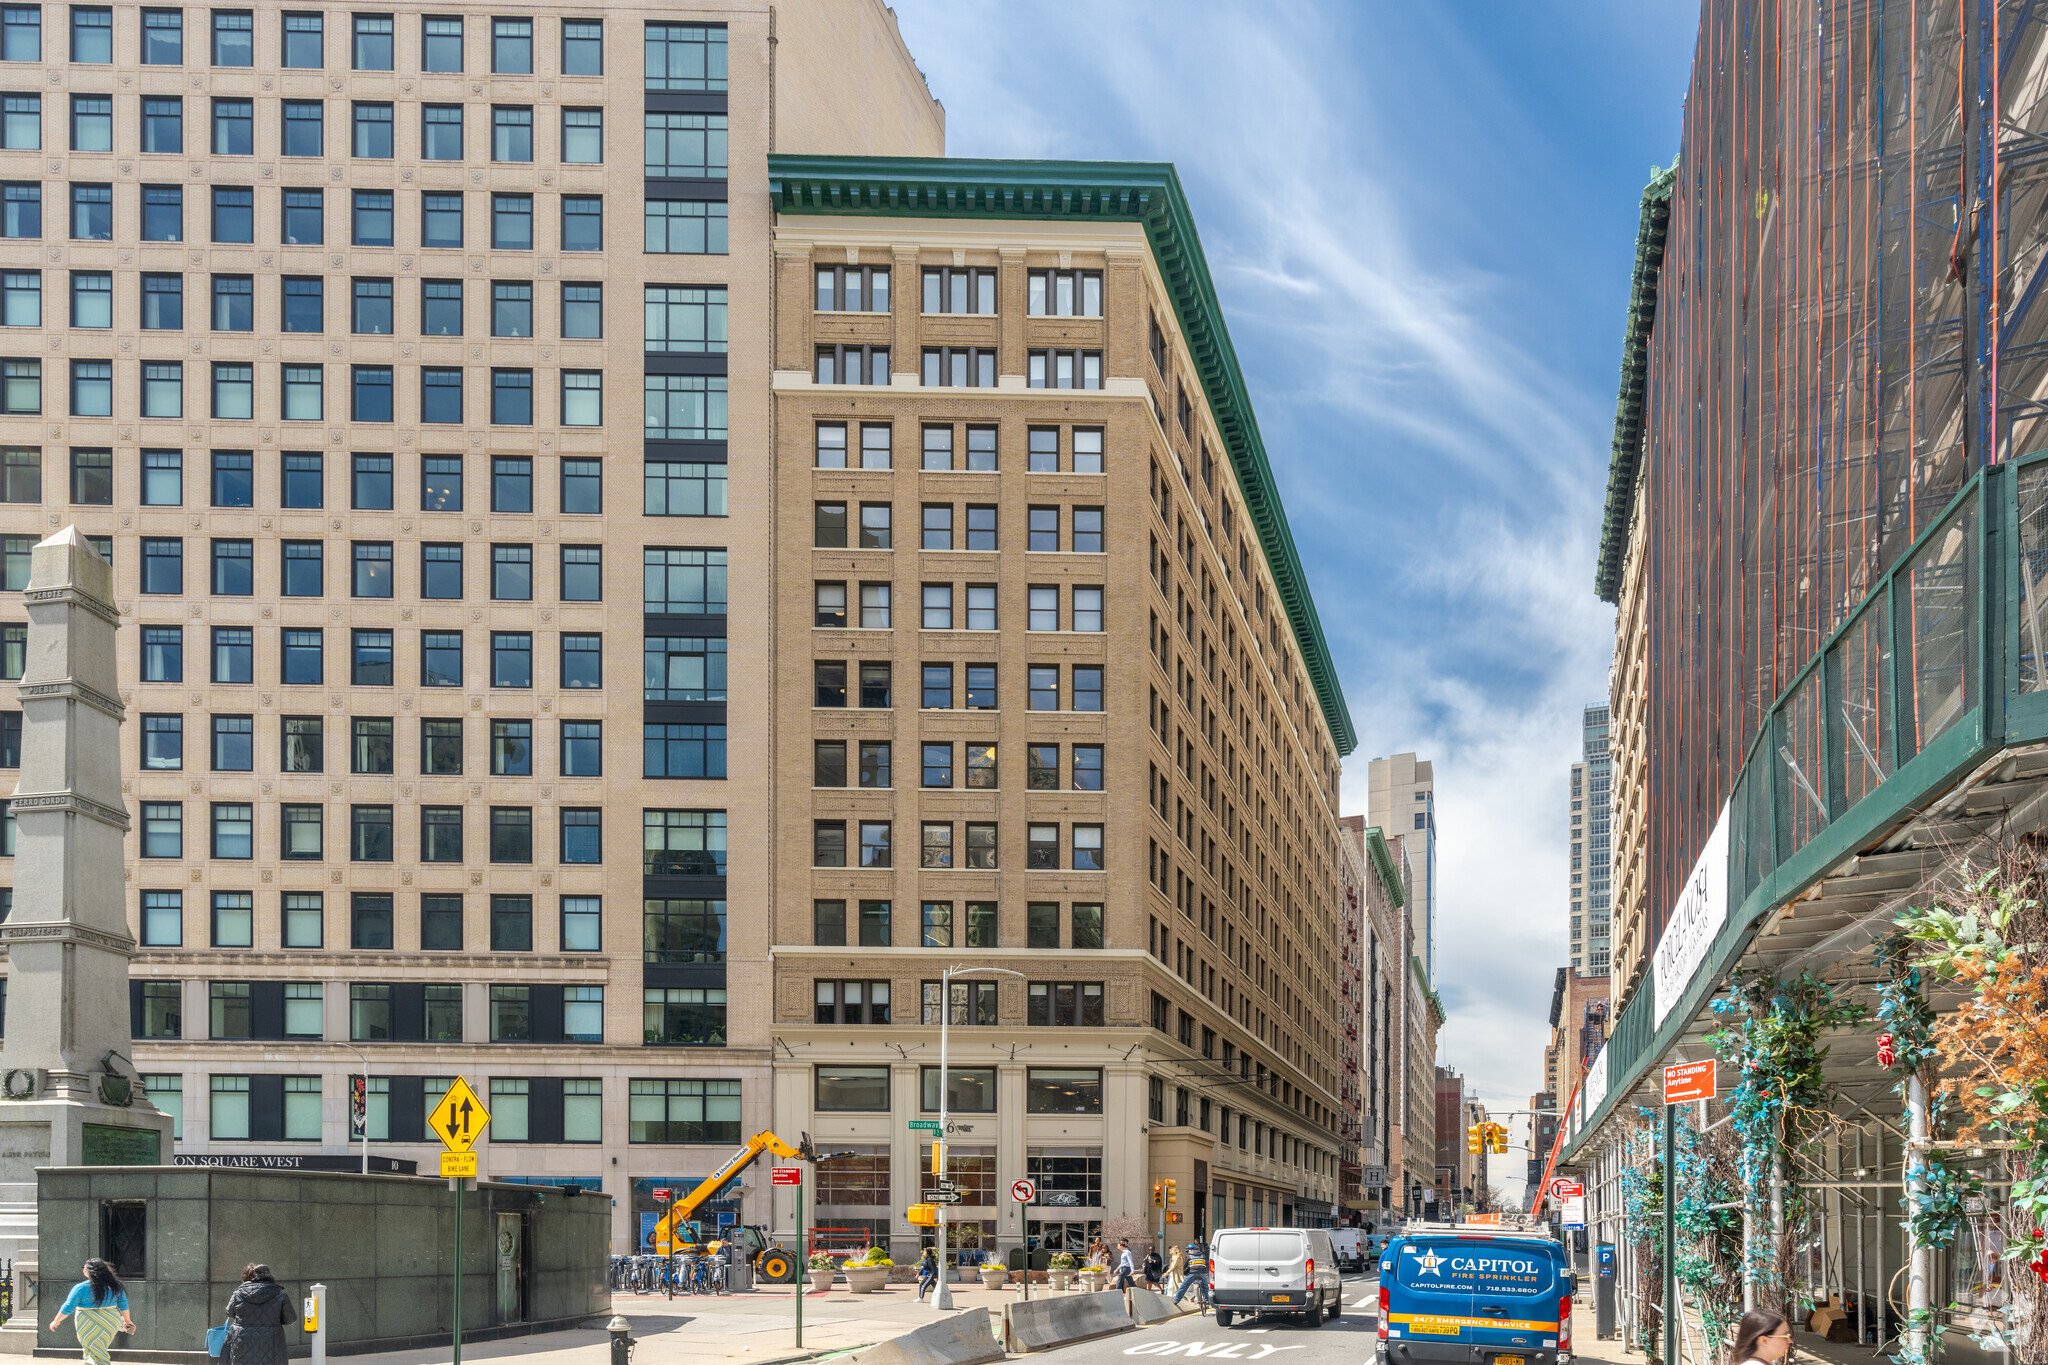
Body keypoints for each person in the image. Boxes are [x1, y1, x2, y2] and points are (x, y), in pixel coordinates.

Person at [50, 1259, 132, 1365]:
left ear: (89, 1271)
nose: (83, 1269)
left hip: (86, 1322)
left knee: (95, 1350)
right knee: (95, 1349)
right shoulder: (115, 1286)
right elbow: (123, 1304)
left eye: (84, 1267)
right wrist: (127, 1321)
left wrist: (56, 1321)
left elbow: (68, 1306)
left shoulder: (81, 1288)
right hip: (110, 1322)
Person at [221, 1265, 297, 1365]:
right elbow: (290, 1319)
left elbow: (229, 1312)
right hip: (272, 1344)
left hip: (242, 1342)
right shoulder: (280, 1294)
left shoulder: (238, 1293)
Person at [1172, 1241, 1211, 1313]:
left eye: (1188, 1251)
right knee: (1205, 1287)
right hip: (1202, 1273)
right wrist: (1206, 1272)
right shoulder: (1203, 1256)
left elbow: (1185, 1267)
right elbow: (1207, 1264)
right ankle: (1207, 1301)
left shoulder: (1188, 1256)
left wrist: (1185, 1274)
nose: (1187, 1252)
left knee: (1184, 1287)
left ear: (1191, 1250)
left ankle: (1176, 1300)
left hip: (1192, 1273)